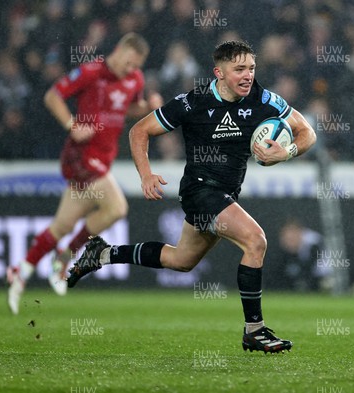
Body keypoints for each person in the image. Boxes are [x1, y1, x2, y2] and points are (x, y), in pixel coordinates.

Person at [66, 41, 317, 353]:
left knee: (181, 260)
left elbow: (307, 132)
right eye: (239, 69)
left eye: (251, 68)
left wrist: (288, 150)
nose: (248, 75)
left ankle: (102, 254)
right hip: (200, 191)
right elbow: (139, 132)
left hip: (225, 193)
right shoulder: (193, 102)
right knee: (256, 241)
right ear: (219, 72)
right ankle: (254, 330)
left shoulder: (263, 100)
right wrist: (146, 174)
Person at [7, 33, 163, 315]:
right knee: (116, 207)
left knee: (62, 225)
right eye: (129, 63)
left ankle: (22, 271)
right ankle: (69, 255)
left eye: (135, 66)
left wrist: (148, 107)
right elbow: (52, 95)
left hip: (102, 159)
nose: (131, 70)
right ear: (120, 49)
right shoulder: (91, 72)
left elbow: (128, 108)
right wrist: (71, 124)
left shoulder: (135, 79)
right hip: (80, 156)